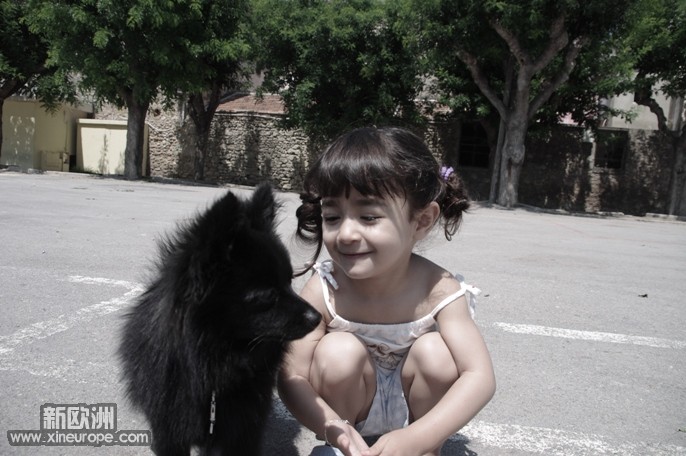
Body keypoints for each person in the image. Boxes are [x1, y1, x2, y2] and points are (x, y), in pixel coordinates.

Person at [278, 127, 495, 456]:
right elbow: (291, 374)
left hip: (419, 424)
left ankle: (425, 452)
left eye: (368, 217)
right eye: (333, 217)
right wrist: (333, 426)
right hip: (346, 417)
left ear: (421, 221)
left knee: (437, 352)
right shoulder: (325, 287)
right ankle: (344, 450)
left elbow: (479, 376)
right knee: (338, 351)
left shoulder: (439, 289)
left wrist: (417, 439)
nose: (346, 233)